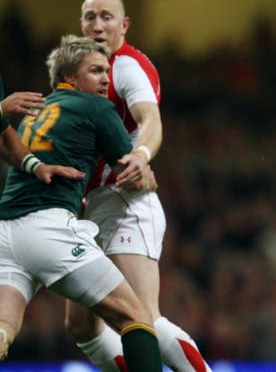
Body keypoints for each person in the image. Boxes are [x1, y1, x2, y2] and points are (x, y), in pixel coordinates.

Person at [64, 0, 211, 372]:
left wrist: (140, 155)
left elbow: (149, 119)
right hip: (91, 207)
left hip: (126, 200)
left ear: (124, 25)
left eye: (107, 17)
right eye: (89, 17)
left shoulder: (128, 67)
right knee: (82, 325)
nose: (97, 24)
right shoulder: (78, 74)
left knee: (143, 315)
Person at [0, 35, 163, 371]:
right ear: (71, 77)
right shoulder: (97, 107)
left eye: (107, 71)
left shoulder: (32, 111)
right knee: (136, 317)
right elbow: (127, 165)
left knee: (3, 328)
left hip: (5, 232)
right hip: (48, 228)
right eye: (96, 71)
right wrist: (144, 170)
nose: (106, 78)